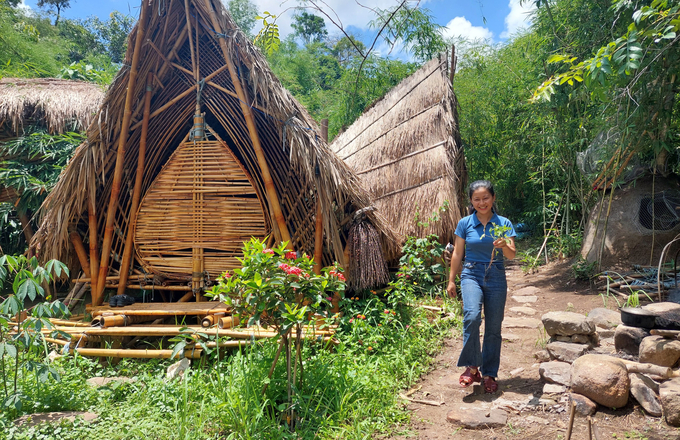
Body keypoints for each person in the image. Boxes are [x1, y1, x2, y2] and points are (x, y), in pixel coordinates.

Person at [446, 180, 516, 393]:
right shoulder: (465, 223)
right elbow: (458, 253)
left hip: (496, 274)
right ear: (471, 201)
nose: (482, 202)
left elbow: (512, 254)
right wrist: (451, 280)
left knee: (494, 327)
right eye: (477, 199)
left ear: (493, 198)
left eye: (485, 198)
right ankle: (472, 367)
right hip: (471, 273)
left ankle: (489, 373)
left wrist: (504, 245)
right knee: (472, 316)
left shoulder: (503, 223)